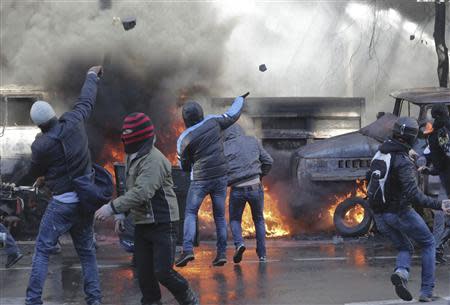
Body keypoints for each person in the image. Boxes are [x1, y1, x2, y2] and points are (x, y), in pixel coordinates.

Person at [95, 113, 198, 305]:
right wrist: (120, 215)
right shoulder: (132, 156)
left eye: (128, 133)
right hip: (143, 222)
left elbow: (142, 192)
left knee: (163, 272)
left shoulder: (154, 160)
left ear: (140, 136)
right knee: (144, 273)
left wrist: (111, 207)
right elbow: (130, 189)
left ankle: (187, 297)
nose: (124, 138)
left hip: (162, 222)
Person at [25, 66, 103, 305]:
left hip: (63, 203)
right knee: (87, 253)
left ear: (39, 125)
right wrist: (91, 76)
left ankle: (33, 301)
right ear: (53, 115)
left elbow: (34, 171)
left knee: (42, 251)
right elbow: (86, 99)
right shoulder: (74, 120)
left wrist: (43, 175)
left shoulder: (41, 145)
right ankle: (95, 300)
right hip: (85, 201)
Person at [371, 116, 450, 302]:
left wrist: (410, 156)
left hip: (380, 214)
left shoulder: (382, 152)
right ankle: (426, 292)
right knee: (429, 243)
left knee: (404, 246)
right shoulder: (403, 161)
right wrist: (440, 204)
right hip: (399, 211)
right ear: (411, 137)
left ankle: (401, 273)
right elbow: (414, 195)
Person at [175, 93, 247, 267]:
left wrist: (190, 167)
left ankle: (187, 250)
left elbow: (183, 165)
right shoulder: (213, 121)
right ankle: (221, 254)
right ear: (201, 113)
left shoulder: (184, 138)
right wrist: (239, 99)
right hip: (221, 176)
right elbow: (232, 115)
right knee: (220, 217)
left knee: (191, 213)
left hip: (200, 179)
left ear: (185, 119)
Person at [223, 124, 273, 263]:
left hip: (237, 188)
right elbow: (269, 161)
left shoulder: (225, 147)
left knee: (234, 220)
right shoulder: (252, 140)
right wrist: (261, 175)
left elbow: (221, 170)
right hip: (255, 186)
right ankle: (262, 255)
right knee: (258, 220)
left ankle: (239, 244)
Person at [420, 104, 450, 264]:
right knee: (442, 216)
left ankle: (436, 249)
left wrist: (428, 169)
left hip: (442, 178)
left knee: (442, 216)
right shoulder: (442, 131)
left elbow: (429, 155)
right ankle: (435, 249)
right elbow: (447, 152)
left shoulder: (434, 132)